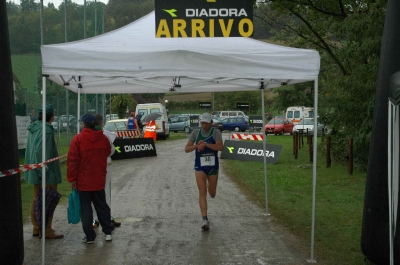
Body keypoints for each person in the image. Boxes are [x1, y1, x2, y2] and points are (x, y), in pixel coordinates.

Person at [67, 114, 114, 244]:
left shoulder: (78, 139)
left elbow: (72, 161)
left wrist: (72, 179)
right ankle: (108, 232)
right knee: (102, 206)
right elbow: (108, 151)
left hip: (84, 181)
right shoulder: (104, 138)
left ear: (83, 124)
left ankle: (89, 236)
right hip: (99, 178)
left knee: (86, 209)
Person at [24, 104, 64, 239]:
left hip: (35, 169)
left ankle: (36, 227)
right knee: (47, 199)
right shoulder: (46, 130)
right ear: (51, 116)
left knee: (37, 198)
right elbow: (42, 151)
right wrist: (45, 172)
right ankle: (46, 229)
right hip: (46, 172)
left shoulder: (33, 128)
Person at [184, 112, 223, 230]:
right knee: (202, 190)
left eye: (207, 123)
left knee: (211, 192)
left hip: (212, 166)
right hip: (200, 166)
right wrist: (197, 146)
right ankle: (205, 219)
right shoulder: (196, 132)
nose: (204, 126)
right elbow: (186, 149)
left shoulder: (216, 132)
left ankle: (212, 190)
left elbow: (220, 147)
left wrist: (206, 144)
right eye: (203, 123)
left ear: (211, 122)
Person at [91, 114, 121, 228]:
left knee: (93, 193)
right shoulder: (105, 136)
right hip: (104, 166)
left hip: (91, 168)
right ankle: (106, 217)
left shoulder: (85, 135)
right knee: (105, 192)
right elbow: (111, 150)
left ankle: (95, 218)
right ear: (101, 123)